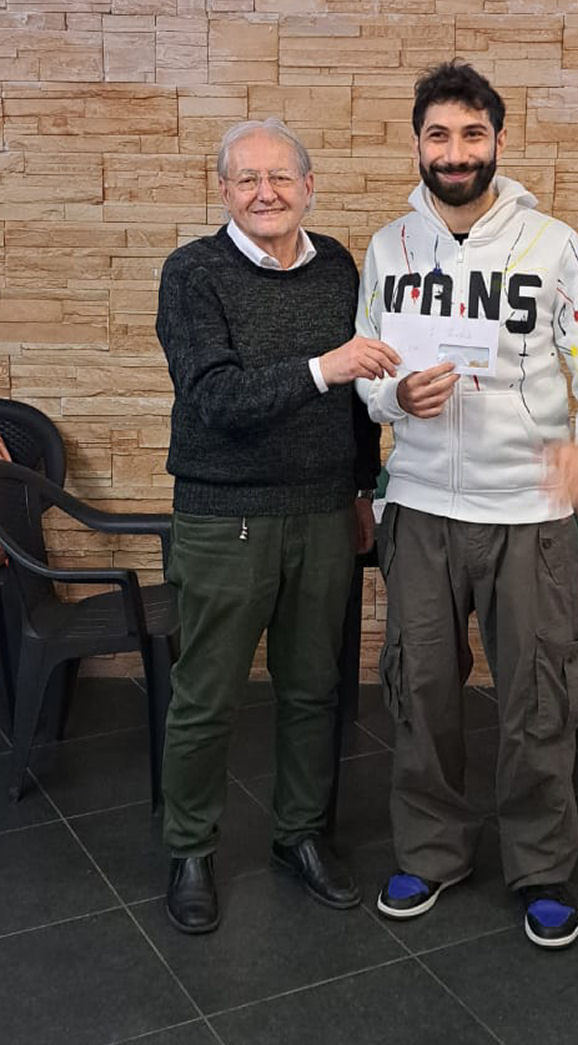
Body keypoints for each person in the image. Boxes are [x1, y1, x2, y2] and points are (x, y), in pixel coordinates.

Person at [356, 62, 578, 948]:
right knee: (421, 687)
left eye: (472, 134)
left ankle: (542, 866)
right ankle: (430, 851)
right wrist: (395, 398)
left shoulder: (554, 245)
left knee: (538, 695)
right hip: (421, 507)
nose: (455, 152)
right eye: (438, 135)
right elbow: (368, 373)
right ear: (417, 143)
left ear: (499, 141)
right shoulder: (389, 249)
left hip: (528, 513)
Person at [156, 118, 400, 934]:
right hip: (224, 516)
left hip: (324, 513)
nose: (266, 193)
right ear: (223, 190)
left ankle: (300, 835)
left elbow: (359, 394)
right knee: (206, 696)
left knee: (312, 690)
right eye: (247, 179)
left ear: (309, 187)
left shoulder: (337, 267)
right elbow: (213, 398)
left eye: (280, 177)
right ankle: (190, 849)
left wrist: (360, 486)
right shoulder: (192, 273)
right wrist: (323, 367)